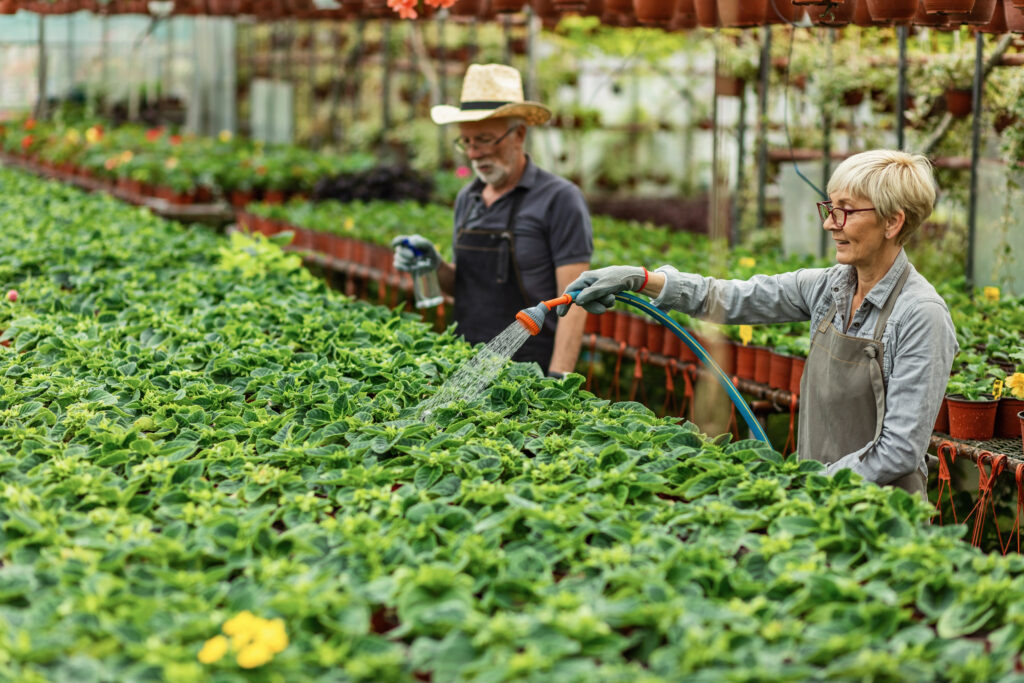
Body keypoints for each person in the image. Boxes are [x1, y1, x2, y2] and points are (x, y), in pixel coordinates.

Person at [559, 150, 958, 498]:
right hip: (819, 504)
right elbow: (730, 298)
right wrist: (644, 280)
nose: (829, 224)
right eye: (830, 208)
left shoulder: (920, 315)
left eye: (846, 211)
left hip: (880, 523)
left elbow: (900, 450)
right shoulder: (828, 288)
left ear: (892, 222)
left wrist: (807, 487)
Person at [391, 63, 593, 377]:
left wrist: (557, 381)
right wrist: (435, 265)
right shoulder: (467, 198)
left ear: (519, 134)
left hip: (529, 371)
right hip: (464, 362)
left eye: (484, 140)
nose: (473, 154)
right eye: (466, 142)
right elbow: (467, 288)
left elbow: (574, 301)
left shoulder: (559, 199)